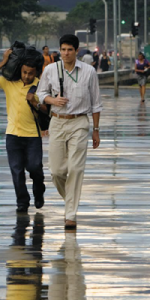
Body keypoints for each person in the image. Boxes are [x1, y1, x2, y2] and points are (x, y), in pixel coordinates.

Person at [35, 34, 103, 230]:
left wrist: (96, 130)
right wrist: (52, 101)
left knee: (75, 168)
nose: (66, 53)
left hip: (79, 123)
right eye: (63, 50)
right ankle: (71, 201)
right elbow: (40, 94)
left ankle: (70, 214)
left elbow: (96, 104)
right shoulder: (50, 70)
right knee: (56, 171)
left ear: (77, 51)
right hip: (57, 122)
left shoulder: (89, 72)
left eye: (70, 50)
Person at [0, 49, 47, 213]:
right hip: (12, 134)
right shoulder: (9, 83)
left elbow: (47, 110)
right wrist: (3, 62)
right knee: (16, 170)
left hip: (33, 136)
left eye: (30, 73)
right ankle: (22, 202)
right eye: (24, 72)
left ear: (36, 72)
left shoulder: (40, 86)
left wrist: (34, 102)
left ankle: (39, 190)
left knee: (35, 168)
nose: (27, 76)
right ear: (20, 69)